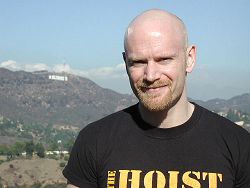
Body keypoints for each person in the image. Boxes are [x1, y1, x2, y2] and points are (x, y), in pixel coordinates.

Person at [63, 9, 250, 188]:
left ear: (190, 58)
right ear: (125, 63)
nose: (151, 75)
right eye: (138, 62)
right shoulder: (95, 141)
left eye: (164, 59)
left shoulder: (238, 146)